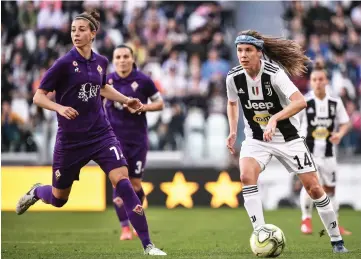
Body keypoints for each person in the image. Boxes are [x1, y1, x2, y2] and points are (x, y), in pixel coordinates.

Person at [15, 10, 166, 256]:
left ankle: (148, 245)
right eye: (74, 30)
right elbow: (38, 97)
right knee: (59, 199)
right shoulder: (64, 63)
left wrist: (127, 99)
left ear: (93, 33)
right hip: (71, 141)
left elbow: (103, 88)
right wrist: (60, 107)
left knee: (123, 182)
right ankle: (35, 191)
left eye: (82, 29)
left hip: (101, 134)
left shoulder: (101, 62)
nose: (76, 34)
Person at [225, 30, 348, 253]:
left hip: (288, 138)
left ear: (259, 53)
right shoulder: (233, 77)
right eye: (239, 50)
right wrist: (233, 130)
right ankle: (260, 233)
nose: (243, 55)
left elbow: (300, 102)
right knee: (245, 176)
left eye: (248, 50)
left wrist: (274, 118)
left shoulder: (274, 74)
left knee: (313, 188)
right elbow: (232, 103)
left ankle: (337, 241)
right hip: (257, 138)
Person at [104, 45, 164, 240]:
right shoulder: (107, 81)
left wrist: (143, 108)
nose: (122, 60)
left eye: (125, 56)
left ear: (132, 59)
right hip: (113, 140)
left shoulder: (144, 81)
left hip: (137, 140)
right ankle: (125, 228)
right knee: (120, 182)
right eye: (118, 57)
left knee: (136, 184)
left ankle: (136, 222)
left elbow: (160, 103)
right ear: (114, 60)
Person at [299, 63, 351, 235]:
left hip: (329, 153)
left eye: (321, 79)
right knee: (311, 185)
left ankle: (335, 225)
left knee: (330, 189)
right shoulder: (304, 102)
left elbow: (345, 122)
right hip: (310, 152)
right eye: (314, 79)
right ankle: (306, 219)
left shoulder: (335, 102)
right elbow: (293, 123)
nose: (318, 82)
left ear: (326, 81)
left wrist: (340, 134)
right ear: (311, 82)